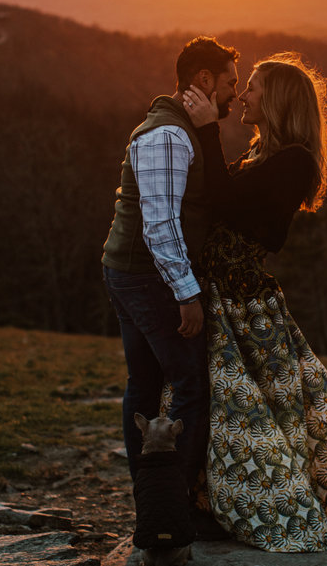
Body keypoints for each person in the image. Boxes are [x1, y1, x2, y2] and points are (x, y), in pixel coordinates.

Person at [181, 52, 327, 552]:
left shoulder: (293, 159)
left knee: (253, 413)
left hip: (242, 304)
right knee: (226, 409)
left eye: (253, 87)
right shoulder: (263, 155)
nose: (243, 95)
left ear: (276, 99)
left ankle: (264, 511)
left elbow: (225, 202)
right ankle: (213, 505)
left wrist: (208, 129)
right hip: (223, 294)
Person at [101, 36, 239, 530]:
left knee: (145, 382)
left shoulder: (176, 130)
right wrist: (187, 293)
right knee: (189, 385)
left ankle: (154, 501)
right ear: (204, 80)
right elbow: (160, 224)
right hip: (147, 278)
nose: (234, 94)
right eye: (229, 82)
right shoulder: (168, 136)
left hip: (131, 273)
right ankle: (170, 505)